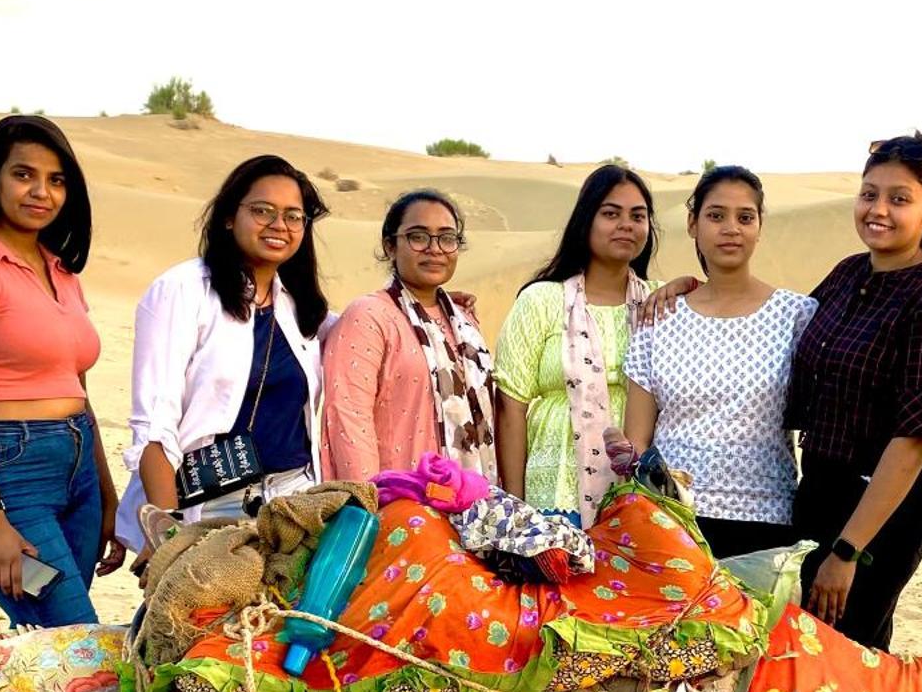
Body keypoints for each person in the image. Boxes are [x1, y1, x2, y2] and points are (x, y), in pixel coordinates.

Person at [785, 132, 922, 649]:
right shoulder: (850, 274)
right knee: (825, 649)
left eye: (900, 199)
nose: (878, 209)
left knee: (841, 655)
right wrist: (692, 291)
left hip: (884, 509)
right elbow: (777, 337)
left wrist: (848, 551)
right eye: (869, 194)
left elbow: (914, 439)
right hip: (822, 487)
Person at [0, 115, 127, 625]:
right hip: (9, 474)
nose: (41, 192)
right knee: (76, 640)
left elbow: (78, 389)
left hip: (77, 471)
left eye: (57, 180)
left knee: (50, 647)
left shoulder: (61, 270)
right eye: (23, 175)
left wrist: (105, 493)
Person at [117, 155, 332, 548]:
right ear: (230, 217)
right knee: (190, 606)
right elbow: (154, 423)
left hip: (293, 501)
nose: (279, 225)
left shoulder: (299, 305)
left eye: (294, 216)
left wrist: (430, 302)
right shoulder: (183, 290)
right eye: (263, 211)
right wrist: (168, 530)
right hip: (210, 504)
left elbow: (366, 329)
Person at [623, 166, 815, 557]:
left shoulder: (797, 315)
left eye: (745, 217)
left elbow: (851, 393)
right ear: (693, 224)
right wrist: (653, 509)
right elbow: (637, 439)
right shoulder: (659, 318)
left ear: (760, 226)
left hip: (766, 520)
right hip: (672, 521)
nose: (731, 228)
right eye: (716, 216)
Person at [493, 163, 662, 524]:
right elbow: (510, 407)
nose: (626, 225)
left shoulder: (656, 305)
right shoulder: (542, 300)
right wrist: (515, 508)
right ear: (586, 220)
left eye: (638, 215)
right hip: (552, 490)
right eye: (611, 214)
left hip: (634, 498)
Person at [321, 189, 496, 483]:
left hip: (475, 507)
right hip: (402, 506)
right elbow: (349, 418)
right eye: (418, 236)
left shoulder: (464, 321)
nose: (435, 248)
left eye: (447, 237)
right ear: (390, 246)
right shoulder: (369, 317)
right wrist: (372, 505)